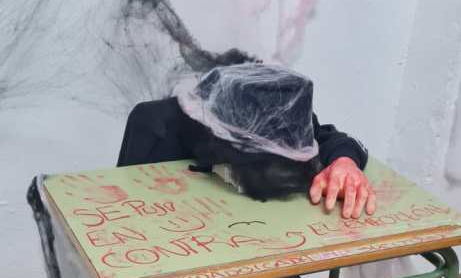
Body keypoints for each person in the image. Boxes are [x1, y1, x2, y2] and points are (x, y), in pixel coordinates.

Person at [117, 61, 376, 219]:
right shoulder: (156, 127)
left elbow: (331, 138)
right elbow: (130, 215)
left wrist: (345, 162)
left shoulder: (284, 114)